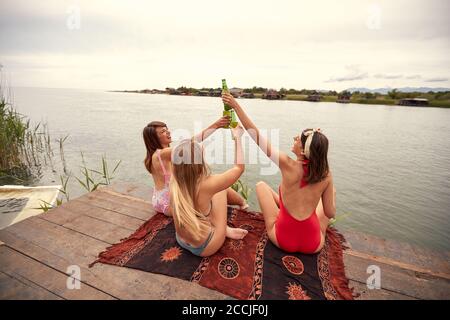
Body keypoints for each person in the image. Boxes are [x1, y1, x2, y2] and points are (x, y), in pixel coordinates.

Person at [222, 93, 336, 254]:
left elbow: (256, 136)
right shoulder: (326, 175)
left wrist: (235, 105)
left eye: (299, 139)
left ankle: (284, 210)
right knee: (325, 203)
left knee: (261, 186)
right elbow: (330, 213)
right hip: (312, 245)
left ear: (303, 151)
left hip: (283, 239)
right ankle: (314, 227)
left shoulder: (287, 163)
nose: (295, 137)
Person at [143, 117, 248, 216]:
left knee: (208, 187)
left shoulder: (155, 155)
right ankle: (243, 205)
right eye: (163, 132)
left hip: (159, 201)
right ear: (154, 138)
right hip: (171, 204)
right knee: (217, 188)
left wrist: (216, 125)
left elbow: (189, 144)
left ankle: (242, 204)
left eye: (167, 129)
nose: (168, 132)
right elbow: (190, 145)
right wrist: (216, 126)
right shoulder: (162, 154)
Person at [170, 126, 249, 257]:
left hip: (181, 239)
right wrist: (237, 138)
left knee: (210, 195)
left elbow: (183, 151)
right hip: (206, 247)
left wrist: (217, 125)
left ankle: (227, 222)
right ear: (199, 162)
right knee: (220, 189)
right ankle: (238, 210)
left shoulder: (174, 180)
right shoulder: (208, 184)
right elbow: (239, 168)